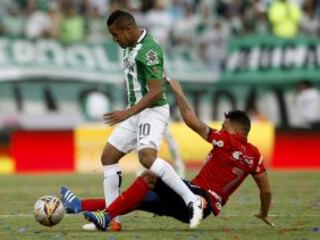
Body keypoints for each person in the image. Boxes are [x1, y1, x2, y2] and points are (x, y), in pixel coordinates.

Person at [61, 79, 273, 231]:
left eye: (225, 125)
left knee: (149, 176)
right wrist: (263, 213)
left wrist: (179, 93)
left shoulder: (227, 140)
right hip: (199, 204)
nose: (221, 127)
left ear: (236, 130)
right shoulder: (255, 155)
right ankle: (80, 205)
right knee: (138, 198)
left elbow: (192, 122)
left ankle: (106, 218)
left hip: (199, 198)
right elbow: (266, 191)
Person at [60, 10, 203, 231]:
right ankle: (112, 221)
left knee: (147, 158)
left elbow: (156, 92)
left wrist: (128, 112)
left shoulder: (149, 51)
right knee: (108, 156)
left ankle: (192, 200)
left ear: (128, 29)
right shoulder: (128, 46)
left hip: (152, 110)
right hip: (135, 110)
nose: (114, 39)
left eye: (115, 34)